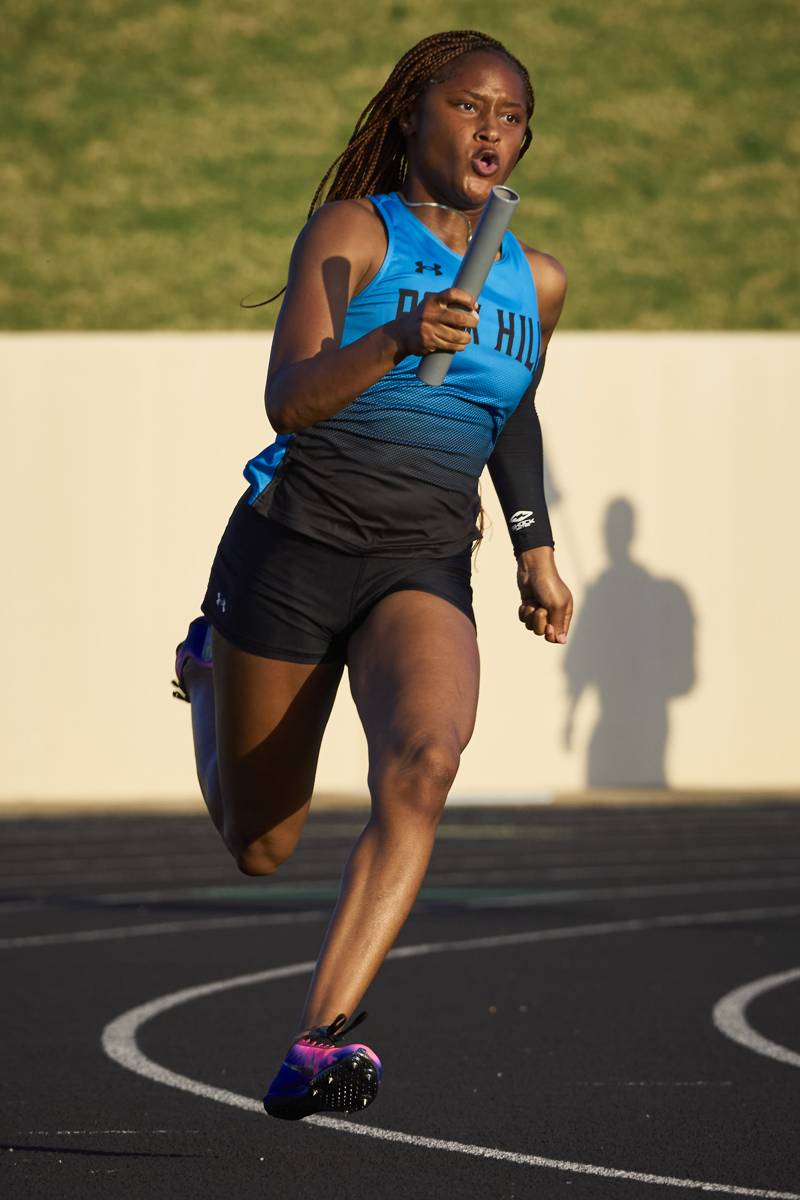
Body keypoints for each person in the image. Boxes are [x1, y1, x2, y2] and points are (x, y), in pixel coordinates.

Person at [171, 28, 572, 1121]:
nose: (492, 129)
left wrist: (532, 546)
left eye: (511, 113)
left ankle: (321, 1039)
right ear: (411, 115)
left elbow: (511, 406)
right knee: (262, 843)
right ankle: (207, 669)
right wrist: (396, 336)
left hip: (420, 559)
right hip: (293, 549)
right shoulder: (351, 233)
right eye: (467, 106)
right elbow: (289, 400)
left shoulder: (534, 279)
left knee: (427, 758)